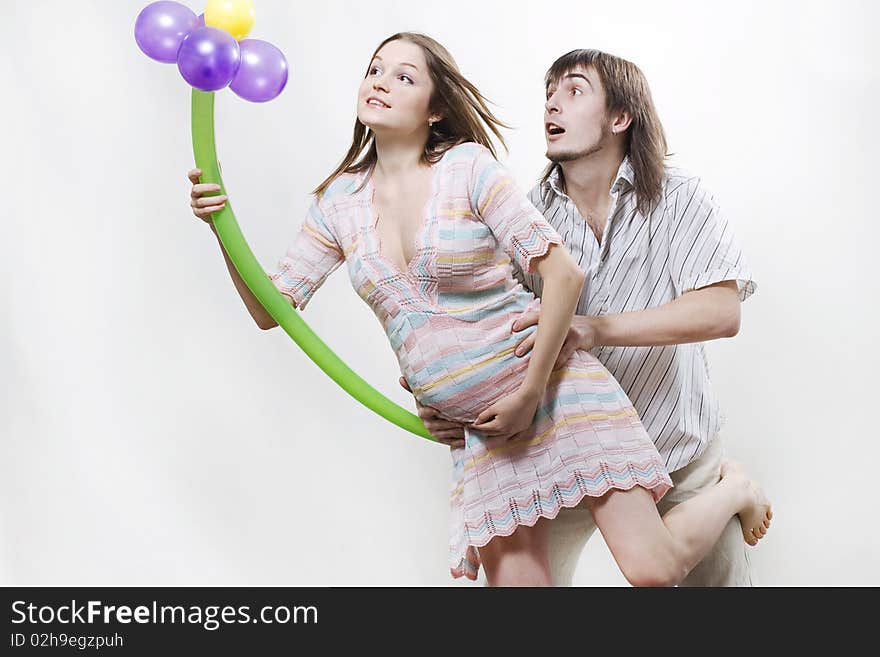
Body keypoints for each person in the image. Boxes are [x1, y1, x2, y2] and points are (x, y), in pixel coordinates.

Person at [187, 33, 771, 586]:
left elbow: (566, 279)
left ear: (436, 108)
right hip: (486, 432)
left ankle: (735, 489)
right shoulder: (336, 204)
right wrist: (222, 228)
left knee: (651, 569)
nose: (380, 81)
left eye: (403, 75)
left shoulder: (469, 168)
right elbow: (273, 309)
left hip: (569, 400)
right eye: (373, 70)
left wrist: (528, 390)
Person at [409, 48, 772, 586]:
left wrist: (596, 328)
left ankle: (733, 488)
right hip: (570, 451)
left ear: (620, 118)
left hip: (676, 450)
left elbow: (721, 311)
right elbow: (482, 322)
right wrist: (441, 397)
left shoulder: (679, 198)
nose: (553, 104)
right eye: (549, 93)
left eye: (573, 91)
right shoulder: (525, 213)